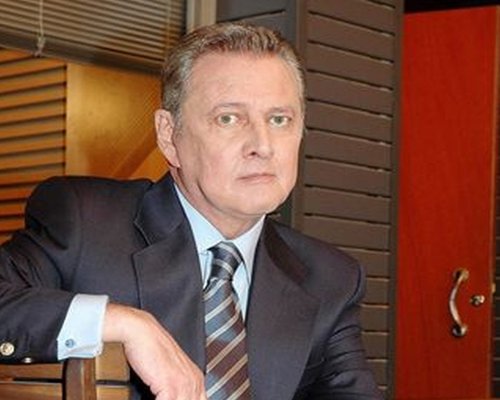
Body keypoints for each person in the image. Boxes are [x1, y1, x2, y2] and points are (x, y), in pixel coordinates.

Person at [0, 22, 382, 399]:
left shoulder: (329, 278)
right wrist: (121, 322)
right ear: (169, 135)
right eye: (228, 118)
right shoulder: (86, 223)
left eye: (279, 119)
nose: (263, 145)